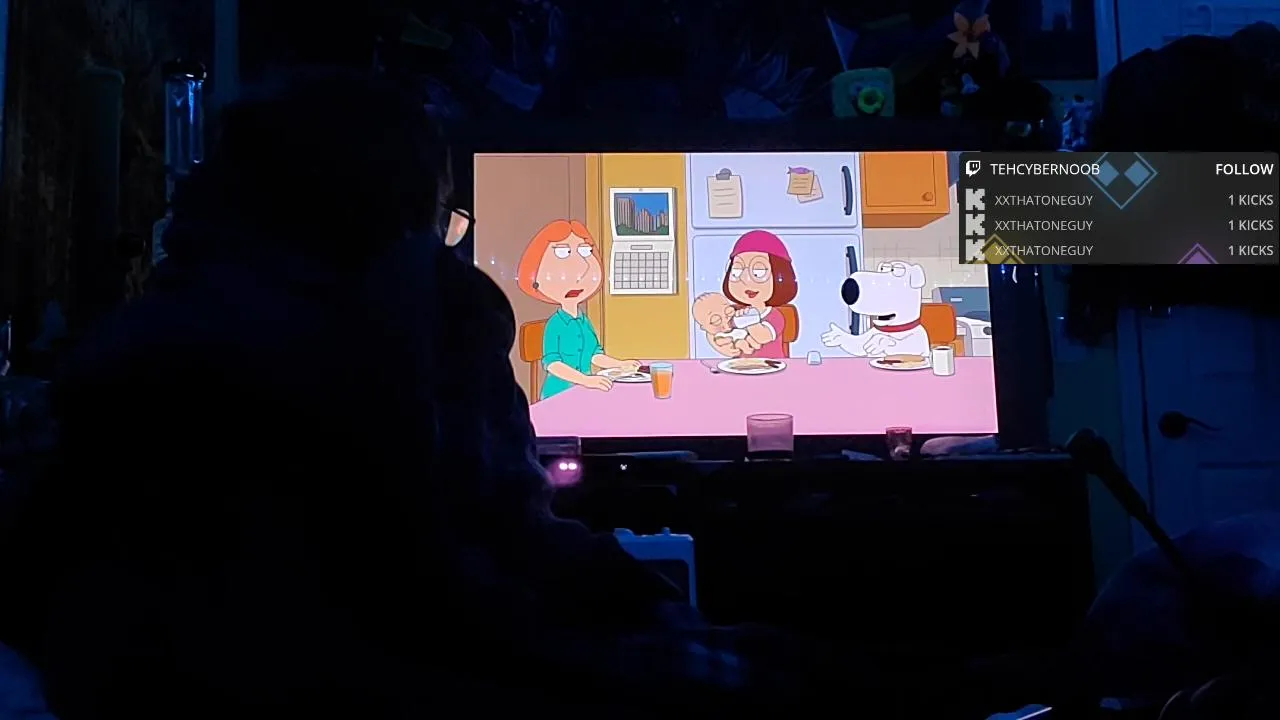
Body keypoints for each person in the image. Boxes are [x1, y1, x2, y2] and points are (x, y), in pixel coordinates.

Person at [0, 67, 1039, 719]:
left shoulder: (130, 391)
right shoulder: (407, 343)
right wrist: (993, 685)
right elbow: (511, 600)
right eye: (444, 225)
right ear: (397, 237)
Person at [515, 219, 639, 399]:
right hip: (558, 395)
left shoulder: (583, 321)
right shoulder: (555, 324)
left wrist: (620, 364)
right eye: (562, 253)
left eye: (585, 251)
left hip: (584, 392)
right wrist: (585, 380)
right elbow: (553, 364)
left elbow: (595, 355)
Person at [709, 230, 798, 359]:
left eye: (758, 272)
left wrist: (746, 319)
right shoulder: (735, 311)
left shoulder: (775, 315)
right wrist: (720, 344)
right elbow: (715, 331)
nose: (745, 280)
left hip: (771, 367)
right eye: (737, 271)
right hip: (739, 367)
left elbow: (762, 336)